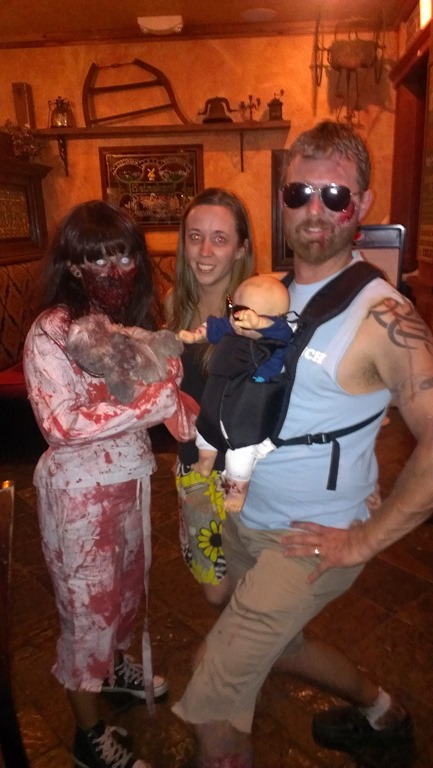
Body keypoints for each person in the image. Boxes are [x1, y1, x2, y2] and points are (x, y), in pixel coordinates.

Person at [171, 120, 432, 768]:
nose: (315, 209)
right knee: (279, 645)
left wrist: (364, 541)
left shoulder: (384, 316)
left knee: (210, 697)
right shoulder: (271, 291)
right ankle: (383, 712)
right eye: (299, 192)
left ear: (362, 203)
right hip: (245, 517)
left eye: (334, 195)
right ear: (281, 199)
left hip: (310, 542)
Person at [23, 200, 197, 768]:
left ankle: (116, 669)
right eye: (95, 258)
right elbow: (60, 424)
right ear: (72, 265)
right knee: (87, 617)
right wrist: (153, 403)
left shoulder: (126, 321)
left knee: (124, 596)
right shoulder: (51, 331)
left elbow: (156, 375)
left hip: (132, 481)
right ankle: (88, 737)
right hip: (79, 498)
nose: (112, 269)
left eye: (122, 254)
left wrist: (165, 378)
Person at [165, 187, 255, 606]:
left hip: (244, 474)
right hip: (193, 465)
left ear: (241, 249)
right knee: (215, 590)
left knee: (247, 585)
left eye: (220, 239)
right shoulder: (174, 304)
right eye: (195, 236)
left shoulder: (253, 313)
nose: (204, 251)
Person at [177, 274, 293, 513]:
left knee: (240, 457)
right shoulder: (232, 325)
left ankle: (237, 493)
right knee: (205, 432)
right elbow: (213, 327)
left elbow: (281, 331)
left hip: (248, 406)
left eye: (243, 312)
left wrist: (259, 323)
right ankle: (205, 462)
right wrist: (195, 336)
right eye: (233, 308)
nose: (236, 318)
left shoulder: (278, 335)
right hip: (219, 398)